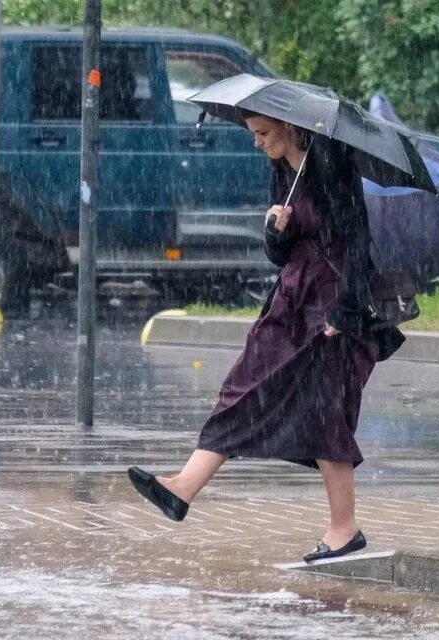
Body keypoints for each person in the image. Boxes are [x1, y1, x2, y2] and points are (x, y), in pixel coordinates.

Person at [128, 110, 404, 563]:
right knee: (245, 384)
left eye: (262, 133)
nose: (256, 143)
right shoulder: (281, 170)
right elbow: (282, 254)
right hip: (291, 297)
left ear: (290, 126)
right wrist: (273, 232)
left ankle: (344, 529)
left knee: (327, 408)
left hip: (333, 302)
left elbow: (356, 239)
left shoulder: (332, 162)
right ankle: (182, 488)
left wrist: (347, 308)